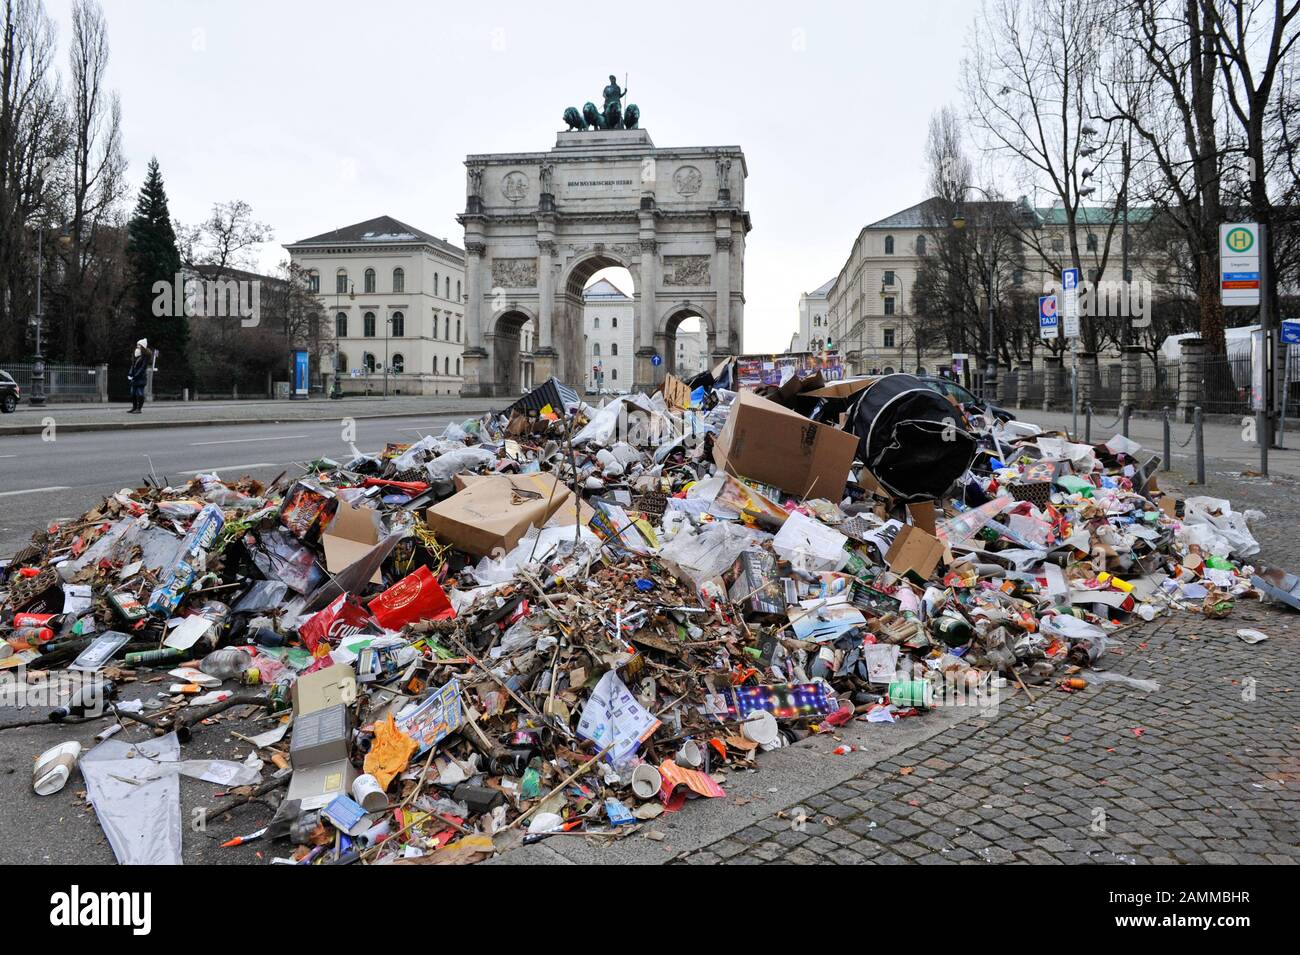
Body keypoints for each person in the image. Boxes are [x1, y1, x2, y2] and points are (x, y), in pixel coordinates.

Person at [127, 339, 152, 414]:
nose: (137, 346)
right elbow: (133, 365)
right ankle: (134, 407)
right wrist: (130, 374)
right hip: (135, 377)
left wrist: (136, 375)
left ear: (143, 346)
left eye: (139, 345)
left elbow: (143, 368)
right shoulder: (136, 354)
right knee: (133, 393)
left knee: (140, 393)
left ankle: (139, 408)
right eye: (137, 345)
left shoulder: (145, 356)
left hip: (140, 377)